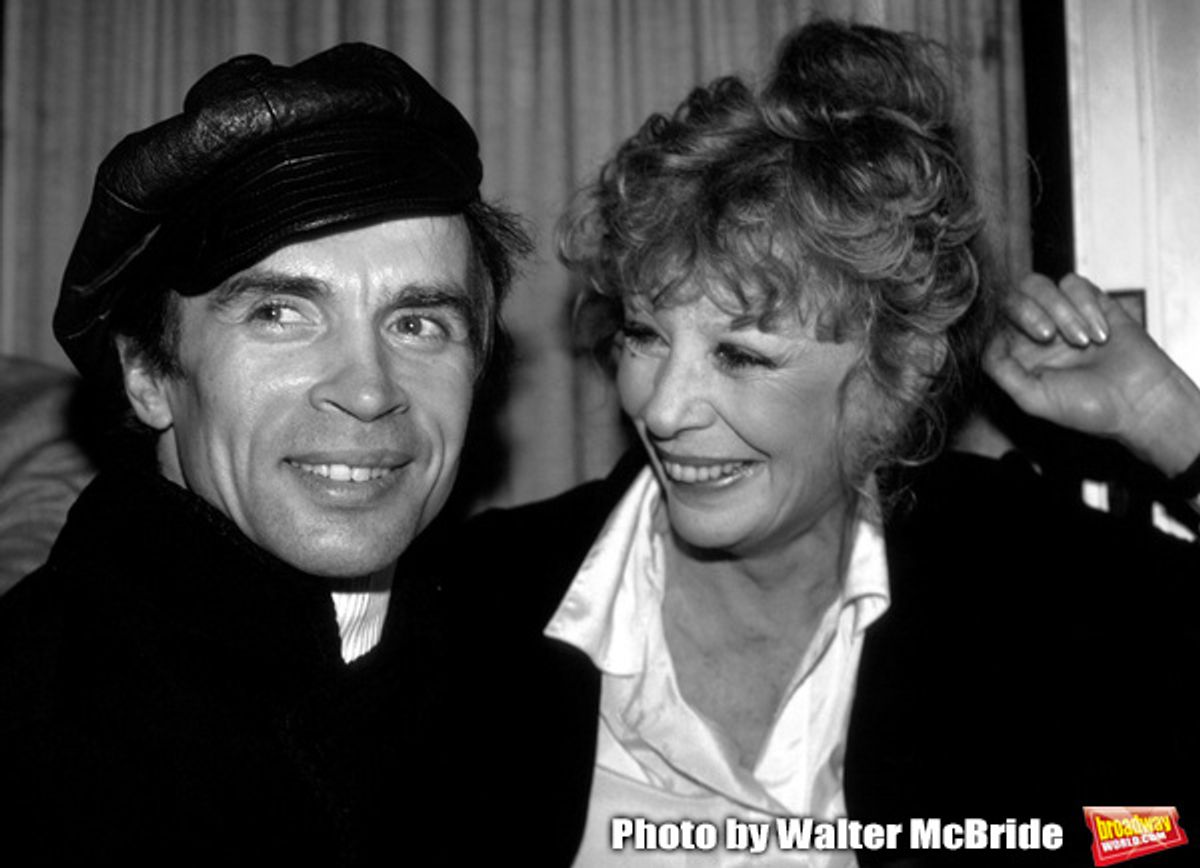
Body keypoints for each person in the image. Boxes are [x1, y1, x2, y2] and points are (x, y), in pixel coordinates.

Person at [444, 20, 1199, 867]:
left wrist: (1172, 422)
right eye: (646, 335)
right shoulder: (483, 600)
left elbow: (1157, 830)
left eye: (741, 353)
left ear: (901, 366)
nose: (661, 408)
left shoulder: (1029, 582)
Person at [0, 44, 530, 865]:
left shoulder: (537, 665)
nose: (367, 389)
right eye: (280, 314)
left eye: (419, 323)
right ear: (147, 374)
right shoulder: (34, 729)